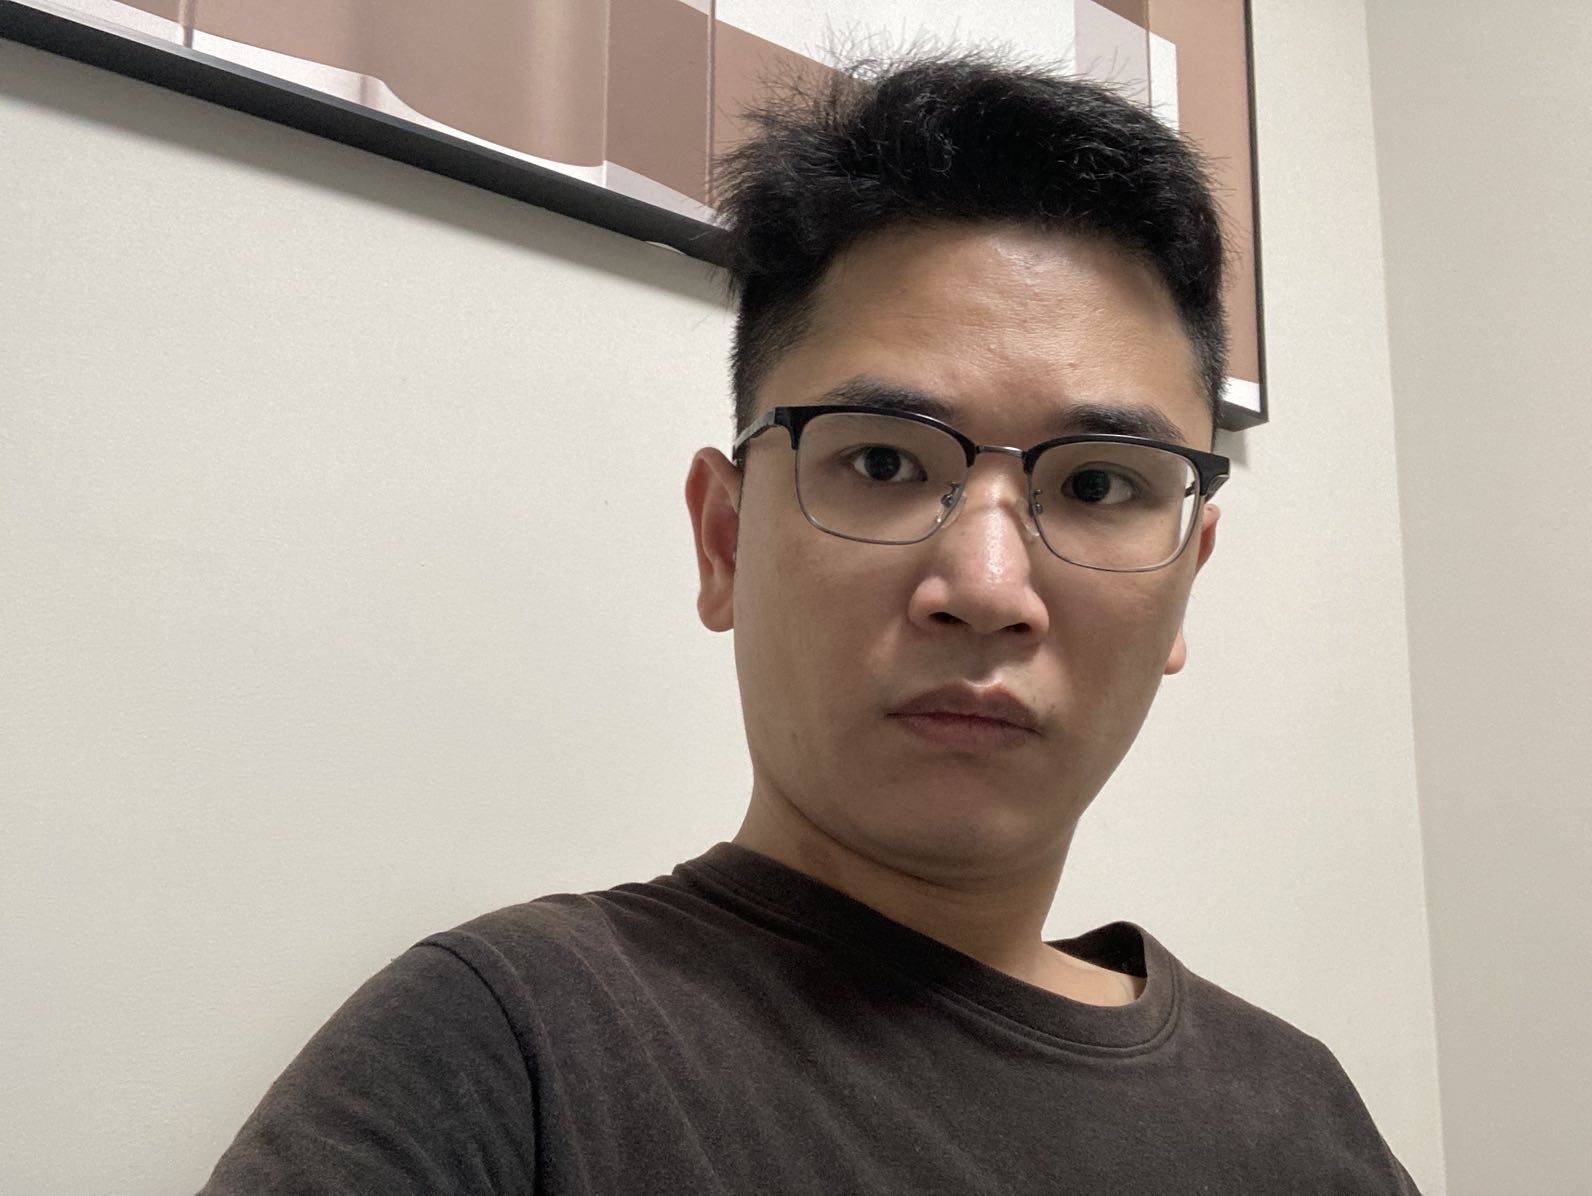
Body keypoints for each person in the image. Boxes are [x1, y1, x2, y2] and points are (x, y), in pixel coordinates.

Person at [199, 49, 1420, 1195]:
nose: (986, 585)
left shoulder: (1299, 1120)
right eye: (882, 461)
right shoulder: (506, 1050)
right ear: (725, 541)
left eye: (1098, 483)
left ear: (1186, 577)